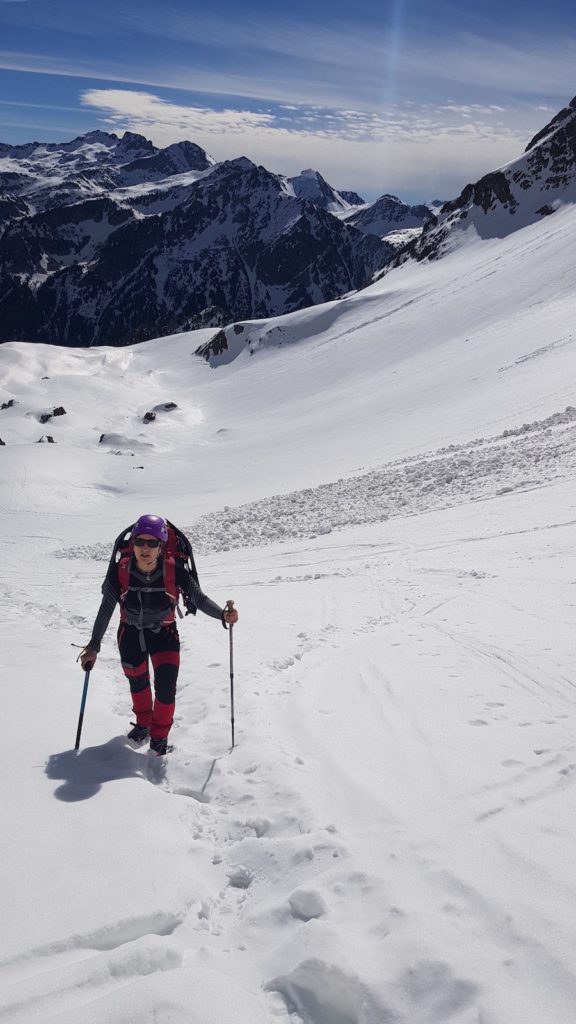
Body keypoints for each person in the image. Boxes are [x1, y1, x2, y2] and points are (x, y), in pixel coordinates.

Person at [80, 514, 238, 755]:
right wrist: (94, 646)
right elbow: (106, 608)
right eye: (140, 542)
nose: (145, 548)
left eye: (152, 543)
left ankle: (159, 739)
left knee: (166, 689)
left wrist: (222, 616)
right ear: (132, 544)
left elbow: (199, 598)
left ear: (162, 545)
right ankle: (144, 725)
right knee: (138, 683)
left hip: (164, 635)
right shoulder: (120, 571)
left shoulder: (174, 571)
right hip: (130, 634)